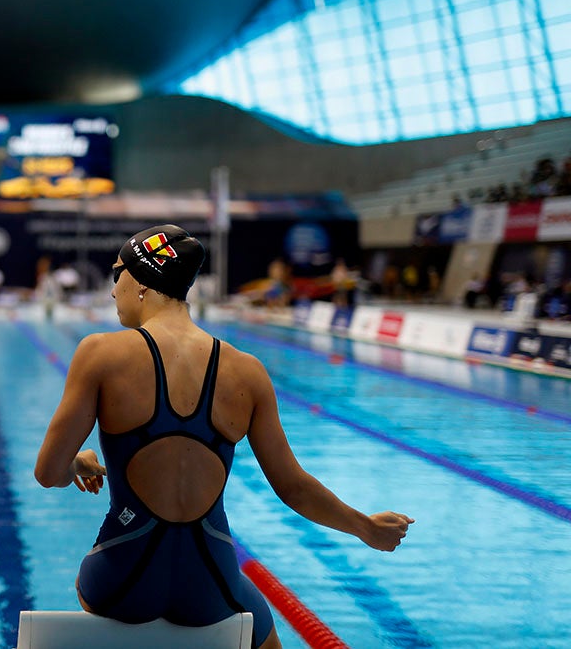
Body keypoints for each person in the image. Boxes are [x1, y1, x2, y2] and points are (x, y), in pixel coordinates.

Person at [34, 224, 413, 649]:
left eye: (116, 274)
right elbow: (292, 487)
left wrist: (77, 464)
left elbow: (48, 472)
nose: (111, 290)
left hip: (123, 579)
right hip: (210, 580)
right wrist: (364, 527)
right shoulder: (247, 371)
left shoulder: (100, 354)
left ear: (141, 281)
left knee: (91, 578)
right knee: (264, 631)